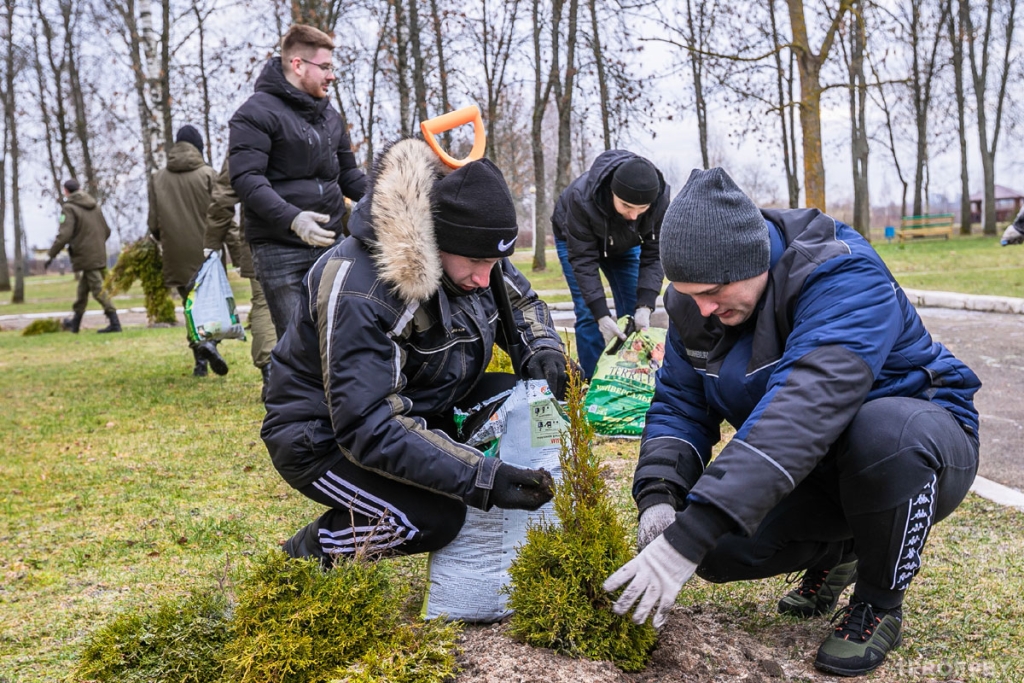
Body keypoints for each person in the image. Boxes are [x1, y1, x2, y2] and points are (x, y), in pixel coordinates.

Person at [604, 168, 981, 677]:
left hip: (921, 442)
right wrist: (660, 498)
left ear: (752, 259)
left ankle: (878, 602)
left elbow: (806, 405)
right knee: (716, 552)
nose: (705, 310)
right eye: (692, 296)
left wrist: (696, 527)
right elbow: (681, 405)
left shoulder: (841, 275)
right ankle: (841, 550)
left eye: (713, 292)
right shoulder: (697, 306)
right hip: (816, 465)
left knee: (884, 436)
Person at [262, 139, 570, 563]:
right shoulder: (363, 289)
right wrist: (481, 476)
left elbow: (518, 303)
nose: (485, 279)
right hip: (324, 437)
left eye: (493, 265)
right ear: (434, 240)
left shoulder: (477, 251)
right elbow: (367, 426)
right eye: (475, 265)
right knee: (433, 519)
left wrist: (543, 347)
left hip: (424, 402)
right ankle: (303, 558)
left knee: (513, 396)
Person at [228, 23, 367, 339]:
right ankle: (284, 390)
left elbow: (348, 176)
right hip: (280, 248)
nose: (332, 75)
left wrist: (390, 195)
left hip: (331, 244)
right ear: (298, 64)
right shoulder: (254, 114)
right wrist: (293, 219)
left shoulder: (330, 116)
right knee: (296, 342)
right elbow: (246, 179)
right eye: (325, 67)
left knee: (340, 336)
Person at [551, 150, 670, 379]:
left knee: (634, 311)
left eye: (642, 209)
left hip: (626, 243)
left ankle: (631, 380)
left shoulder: (661, 201)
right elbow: (583, 261)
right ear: (612, 192)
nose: (634, 216)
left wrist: (645, 304)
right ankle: (593, 381)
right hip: (576, 241)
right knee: (589, 314)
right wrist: (601, 315)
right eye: (626, 206)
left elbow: (655, 255)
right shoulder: (581, 198)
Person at [150, 124, 227, 377]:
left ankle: (200, 362)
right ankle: (210, 343)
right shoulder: (209, 174)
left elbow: (153, 223)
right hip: (207, 252)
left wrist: (164, 241)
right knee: (213, 306)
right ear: (199, 147)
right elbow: (221, 213)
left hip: (175, 253)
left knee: (190, 306)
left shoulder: (158, 178)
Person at [204, 156, 277, 399]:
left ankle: (271, 375)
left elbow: (224, 195)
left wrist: (212, 244)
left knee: (264, 302)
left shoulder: (248, 137)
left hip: (262, 234)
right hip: (316, 232)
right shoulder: (316, 126)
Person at [45, 179, 121, 334]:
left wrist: (51, 254)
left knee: (98, 289)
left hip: (85, 255)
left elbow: (64, 235)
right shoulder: (95, 206)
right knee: (82, 290)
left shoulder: (69, 208)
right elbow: (107, 230)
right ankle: (75, 323)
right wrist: (96, 245)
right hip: (98, 253)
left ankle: (115, 322)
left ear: (66, 191)